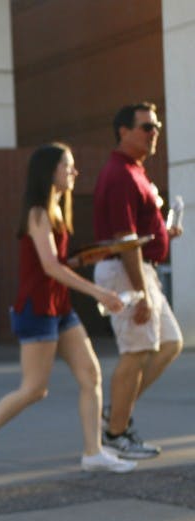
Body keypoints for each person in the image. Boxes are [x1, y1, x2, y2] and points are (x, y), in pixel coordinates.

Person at [0, 143, 135, 475]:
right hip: (38, 308)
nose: (74, 172)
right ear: (50, 171)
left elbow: (56, 263)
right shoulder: (38, 213)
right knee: (34, 388)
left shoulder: (55, 211)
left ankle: (93, 452)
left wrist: (82, 259)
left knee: (90, 374)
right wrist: (99, 292)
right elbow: (50, 268)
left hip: (59, 306)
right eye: (69, 166)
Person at [92, 102, 184, 460]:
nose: (154, 132)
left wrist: (162, 235)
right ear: (123, 131)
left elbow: (138, 237)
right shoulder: (120, 175)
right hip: (124, 270)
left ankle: (115, 414)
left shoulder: (136, 171)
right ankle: (116, 432)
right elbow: (125, 240)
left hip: (139, 268)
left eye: (156, 126)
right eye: (147, 127)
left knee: (170, 343)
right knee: (137, 352)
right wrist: (141, 294)